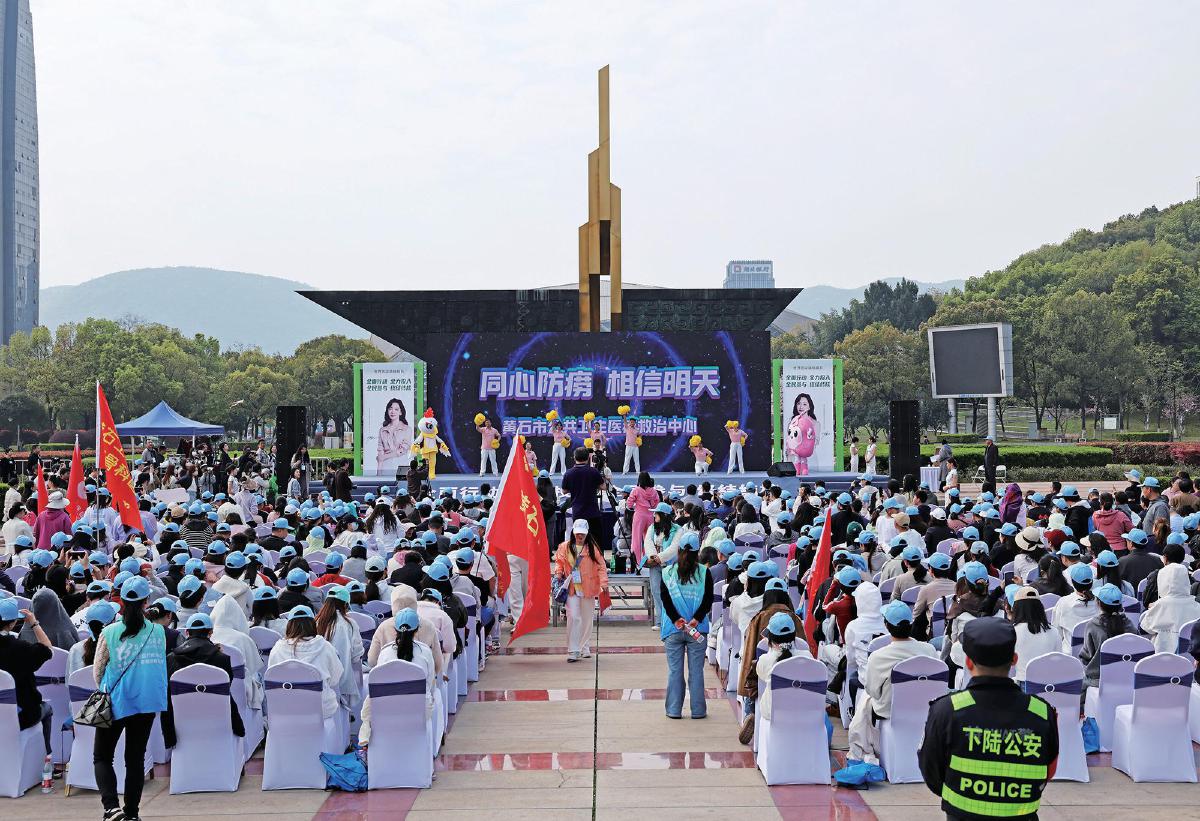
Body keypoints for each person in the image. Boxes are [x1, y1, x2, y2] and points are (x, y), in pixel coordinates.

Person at [919, 618, 1058, 820]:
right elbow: (1048, 770)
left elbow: (931, 772)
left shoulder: (947, 710)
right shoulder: (1042, 712)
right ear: (1014, 659)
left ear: (968, 662)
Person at [93, 576, 168, 821]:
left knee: (102, 756)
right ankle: (132, 813)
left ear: (121, 601)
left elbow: (98, 671)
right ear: (146, 601)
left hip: (115, 701)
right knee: (135, 759)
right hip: (146, 702)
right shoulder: (158, 632)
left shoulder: (109, 632)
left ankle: (111, 808)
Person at [848, 600, 938, 763]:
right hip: (926, 708)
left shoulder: (878, 656)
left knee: (866, 699)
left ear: (886, 626)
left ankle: (863, 748)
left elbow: (873, 691)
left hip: (889, 711)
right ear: (910, 625)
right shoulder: (929, 650)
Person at [161, 613, 245, 749]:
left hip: (179, 721)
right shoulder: (222, 659)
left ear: (187, 632)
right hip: (217, 720)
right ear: (210, 632)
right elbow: (227, 685)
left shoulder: (171, 659)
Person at [658, 530, 712, 719]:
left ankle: (674, 710)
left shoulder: (667, 573)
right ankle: (698, 710)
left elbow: (665, 599)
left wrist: (675, 619)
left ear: (679, 550)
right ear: (698, 553)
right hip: (697, 629)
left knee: (675, 671)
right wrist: (697, 618)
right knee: (696, 672)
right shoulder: (705, 573)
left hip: (673, 629)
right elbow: (708, 599)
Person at [0, 597, 54, 766]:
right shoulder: (20, 648)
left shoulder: (19, 647)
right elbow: (48, 649)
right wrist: (34, 623)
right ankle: (47, 759)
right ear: (12, 623)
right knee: (47, 709)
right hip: (22, 715)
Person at [267, 605, 344, 720]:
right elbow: (335, 679)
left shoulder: (277, 649)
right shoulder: (325, 647)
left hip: (285, 710)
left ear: (289, 625)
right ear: (312, 624)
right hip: (321, 711)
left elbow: (272, 678)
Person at [553, 519, 608, 662]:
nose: (580, 536)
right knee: (573, 617)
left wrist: (604, 583)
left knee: (587, 619)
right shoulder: (564, 547)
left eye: (582, 534)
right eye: (578, 533)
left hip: (588, 588)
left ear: (587, 533)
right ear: (573, 532)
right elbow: (559, 562)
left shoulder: (593, 548)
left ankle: (584, 646)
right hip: (571, 588)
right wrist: (558, 574)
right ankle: (573, 650)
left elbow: (601, 566)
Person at [1078, 584, 1135, 690]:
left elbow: (1086, 656)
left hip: (1098, 681)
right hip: (1128, 678)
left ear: (1099, 603)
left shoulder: (1092, 625)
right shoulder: (1130, 625)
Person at [1139, 562, 1200, 654]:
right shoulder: (1196, 604)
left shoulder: (1161, 604)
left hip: (1162, 654)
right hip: (1189, 657)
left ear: (1163, 582)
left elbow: (1144, 628)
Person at [642, 503, 680, 629]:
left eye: (656, 513)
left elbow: (674, 548)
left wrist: (661, 557)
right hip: (655, 565)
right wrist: (653, 556)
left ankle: (670, 620)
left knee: (670, 592)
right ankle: (660, 621)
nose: (654, 515)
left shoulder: (678, 529)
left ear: (664, 515)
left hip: (670, 565)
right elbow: (648, 542)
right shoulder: (652, 527)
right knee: (656, 591)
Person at [1009, 586, 1058, 681]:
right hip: (1049, 685)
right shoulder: (1054, 631)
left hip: (1022, 684)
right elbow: (1058, 662)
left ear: (1016, 607)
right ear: (1040, 607)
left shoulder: (1011, 631)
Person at [1051, 563, 1098, 652]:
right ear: (1091, 582)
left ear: (1072, 582)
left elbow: (1056, 633)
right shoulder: (1100, 602)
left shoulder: (1063, 602)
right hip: (1095, 654)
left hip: (1070, 655)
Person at [562, 447, 605, 542]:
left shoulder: (569, 473)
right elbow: (603, 487)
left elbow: (564, 491)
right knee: (596, 539)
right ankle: (596, 552)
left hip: (577, 511)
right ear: (588, 458)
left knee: (580, 541)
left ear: (574, 457)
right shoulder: (593, 471)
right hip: (593, 511)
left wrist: (575, 487)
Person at [785, 392, 820, 476]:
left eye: (804, 404)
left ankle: (804, 469)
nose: (801, 407)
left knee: (806, 472)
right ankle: (797, 469)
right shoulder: (793, 421)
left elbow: (816, 441)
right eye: (798, 404)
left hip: (809, 454)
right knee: (796, 465)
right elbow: (790, 438)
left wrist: (809, 437)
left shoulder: (815, 423)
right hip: (794, 453)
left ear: (809, 406)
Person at [377, 398, 412, 475]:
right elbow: (380, 455)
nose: (392, 412)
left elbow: (402, 451)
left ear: (400, 412)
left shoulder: (407, 429)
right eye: (390, 409)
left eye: (396, 409)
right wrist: (378, 474)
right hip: (385, 468)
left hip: (401, 467)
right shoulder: (382, 430)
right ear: (387, 411)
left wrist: (385, 456)